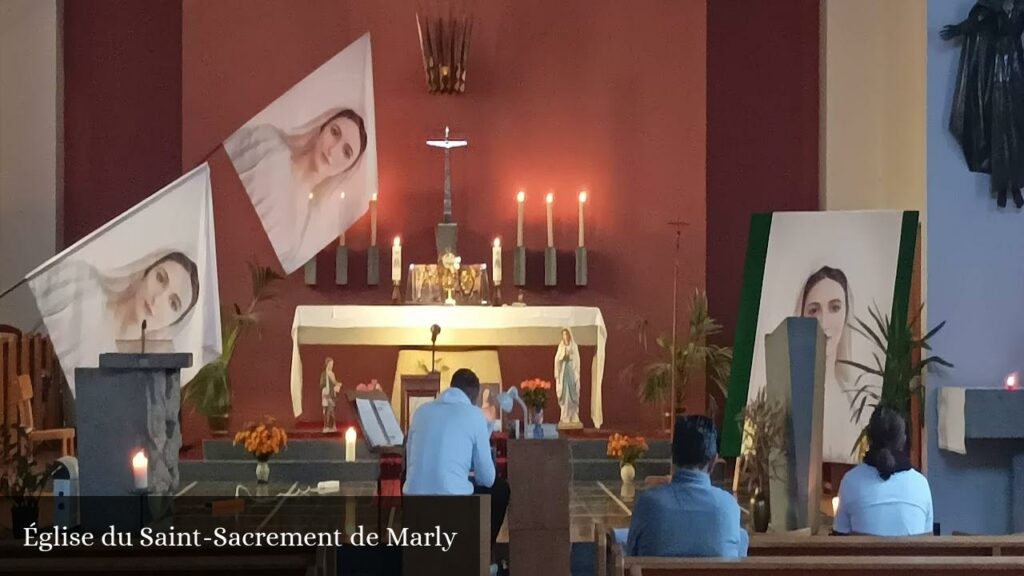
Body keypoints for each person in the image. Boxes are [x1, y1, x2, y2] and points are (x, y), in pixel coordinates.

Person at [33, 250, 201, 393]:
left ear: (174, 323)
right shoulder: (85, 292)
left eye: (173, 303)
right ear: (146, 271)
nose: (158, 298)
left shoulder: (151, 374)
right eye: (160, 278)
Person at [224, 108, 369, 272]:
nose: (333, 150)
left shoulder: (301, 231)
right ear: (323, 127)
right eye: (334, 132)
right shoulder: (267, 142)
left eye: (346, 152)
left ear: (346, 169)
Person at [404, 369, 510, 555]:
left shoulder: (421, 412)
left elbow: (409, 460)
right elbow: (488, 478)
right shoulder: (475, 415)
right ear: (475, 397)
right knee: (500, 490)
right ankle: (481, 555)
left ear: (451, 387)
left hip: (414, 503)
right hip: (451, 505)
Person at [625, 415, 748, 558]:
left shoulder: (648, 504)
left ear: (673, 455)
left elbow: (630, 556)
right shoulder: (728, 506)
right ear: (714, 461)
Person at [798, 265, 866, 463]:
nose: (823, 321)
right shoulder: (787, 397)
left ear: (846, 314)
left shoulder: (854, 399)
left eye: (834, 308)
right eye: (814, 310)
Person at [834, 407, 934, 536]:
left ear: (869, 437)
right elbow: (926, 541)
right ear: (903, 440)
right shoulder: (921, 484)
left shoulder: (850, 481)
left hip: (865, 557)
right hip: (911, 556)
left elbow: (840, 539)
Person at [554, 328, 581, 425]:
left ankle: (573, 415)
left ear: (570, 335)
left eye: (566, 334)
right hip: (564, 373)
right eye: (563, 335)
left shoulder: (574, 346)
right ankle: (565, 416)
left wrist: (570, 357)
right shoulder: (561, 347)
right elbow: (557, 360)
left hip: (572, 373)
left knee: (572, 394)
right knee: (565, 396)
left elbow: (577, 360)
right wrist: (562, 357)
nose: (565, 336)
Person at [321, 357, 342, 432]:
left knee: (331, 410)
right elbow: (322, 384)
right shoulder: (324, 374)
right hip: (326, 394)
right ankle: (326, 426)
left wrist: (338, 384)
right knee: (327, 410)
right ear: (327, 364)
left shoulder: (332, 374)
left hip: (332, 394)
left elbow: (334, 383)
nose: (331, 366)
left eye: (332, 364)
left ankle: (332, 426)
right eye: (330, 364)